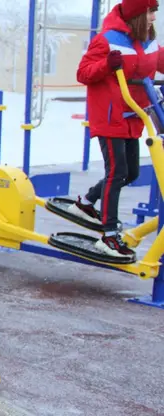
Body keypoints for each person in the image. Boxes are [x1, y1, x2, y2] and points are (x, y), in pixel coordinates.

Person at [70, 0, 163, 261]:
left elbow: (159, 61)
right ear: (137, 15)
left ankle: (86, 203)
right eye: (150, 12)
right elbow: (83, 73)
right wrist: (107, 65)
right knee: (117, 171)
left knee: (131, 172)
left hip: (134, 115)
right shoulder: (107, 39)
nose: (154, 18)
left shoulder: (148, 40)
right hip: (111, 116)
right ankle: (108, 235)